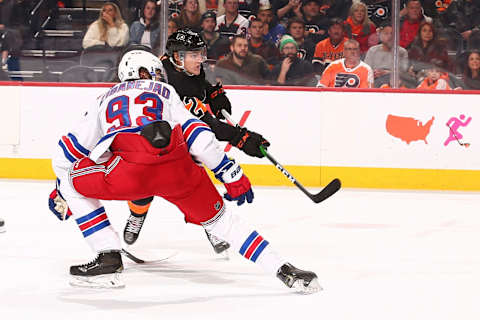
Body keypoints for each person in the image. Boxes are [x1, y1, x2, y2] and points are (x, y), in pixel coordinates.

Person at [48, 50, 320, 293]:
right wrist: (230, 172)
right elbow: (199, 137)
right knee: (225, 223)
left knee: (71, 184)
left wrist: (63, 188)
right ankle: (284, 270)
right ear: (148, 72)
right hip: (178, 171)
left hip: (128, 174)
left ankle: (108, 256)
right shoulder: (167, 93)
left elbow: (67, 153)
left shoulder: (103, 99)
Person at [125, 29, 270, 251]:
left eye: (201, 53)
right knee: (143, 184)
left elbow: (199, 88)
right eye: (194, 55)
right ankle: (137, 214)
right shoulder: (169, 81)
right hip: (154, 140)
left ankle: (211, 224)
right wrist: (240, 138)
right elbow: (202, 125)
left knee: (195, 184)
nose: (200, 59)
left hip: (180, 140)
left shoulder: (187, 69)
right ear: (177, 57)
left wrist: (212, 93)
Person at [364, 23, 409, 87]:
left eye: (392, 34)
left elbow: (404, 73)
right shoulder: (372, 51)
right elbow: (366, 71)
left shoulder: (402, 52)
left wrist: (387, 73)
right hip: (375, 82)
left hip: (395, 83)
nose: (389, 36)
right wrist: (374, 74)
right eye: (386, 33)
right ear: (380, 36)